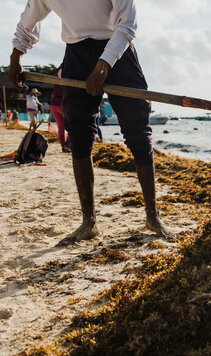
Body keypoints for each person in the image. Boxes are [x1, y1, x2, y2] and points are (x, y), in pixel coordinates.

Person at [9, 0, 173, 245]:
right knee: (79, 136)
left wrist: (105, 63)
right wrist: (16, 54)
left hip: (118, 49)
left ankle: (152, 215)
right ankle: (89, 222)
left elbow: (127, 23)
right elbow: (28, 20)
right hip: (76, 55)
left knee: (137, 131)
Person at [50, 64, 70, 152]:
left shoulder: (56, 74)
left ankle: (63, 145)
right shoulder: (68, 73)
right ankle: (68, 143)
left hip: (54, 105)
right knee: (71, 125)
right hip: (63, 104)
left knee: (60, 127)